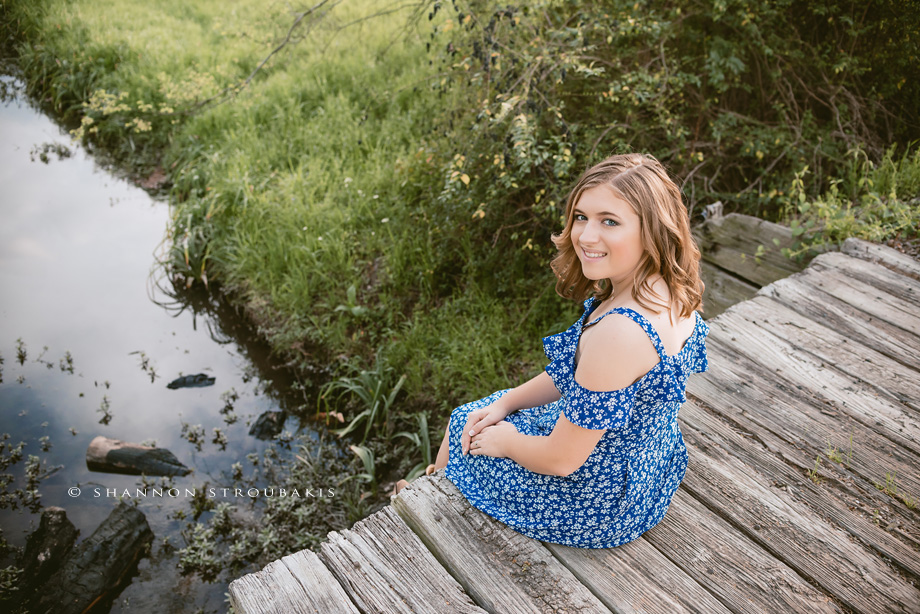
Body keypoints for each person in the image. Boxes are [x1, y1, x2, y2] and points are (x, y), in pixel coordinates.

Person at [405, 152, 709, 548]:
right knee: (490, 409)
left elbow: (562, 460)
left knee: (464, 424)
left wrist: (506, 442)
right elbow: (576, 374)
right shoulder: (666, 287)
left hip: (594, 501)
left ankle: (425, 504)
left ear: (651, 230)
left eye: (610, 221)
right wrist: (508, 403)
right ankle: (431, 481)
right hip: (647, 461)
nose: (585, 236)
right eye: (581, 216)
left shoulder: (620, 332)